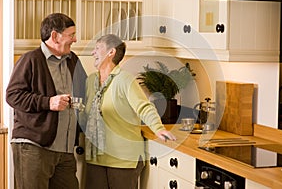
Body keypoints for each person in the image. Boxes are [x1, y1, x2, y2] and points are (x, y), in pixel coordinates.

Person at [82, 34, 176, 189]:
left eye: (97, 48)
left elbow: (144, 107)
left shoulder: (125, 80)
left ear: (110, 52)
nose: (93, 52)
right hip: (95, 157)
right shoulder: (91, 80)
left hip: (123, 159)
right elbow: (85, 114)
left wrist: (158, 129)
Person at [6, 13, 87, 189]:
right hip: (34, 147)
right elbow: (13, 95)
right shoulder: (30, 59)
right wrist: (48, 102)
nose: (75, 39)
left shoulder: (73, 60)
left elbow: (85, 93)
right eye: (71, 35)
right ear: (54, 36)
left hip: (65, 150)